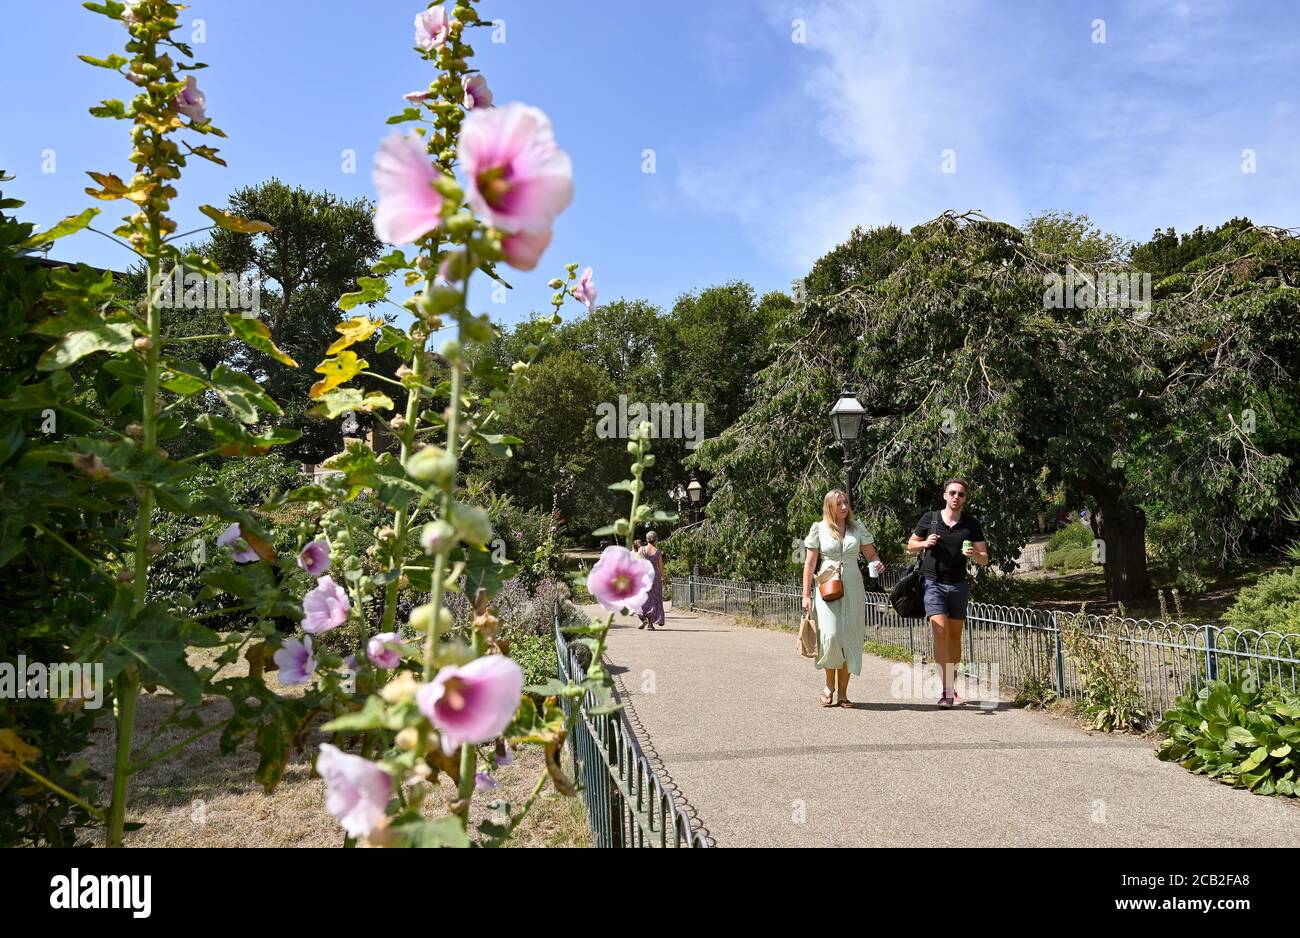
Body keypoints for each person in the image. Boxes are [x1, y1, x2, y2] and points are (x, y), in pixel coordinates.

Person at [906, 478, 989, 708]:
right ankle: (945, 690)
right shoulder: (930, 519)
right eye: (952, 492)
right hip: (933, 583)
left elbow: (984, 559)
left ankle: (951, 685)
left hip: (959, 585)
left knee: (954, 638)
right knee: (939, 630)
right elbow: (910, 545)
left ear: (964, 498)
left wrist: (973, 554)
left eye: (961, 494)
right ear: (945, 495)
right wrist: (925, 543)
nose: (956, 497)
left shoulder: (970, 524)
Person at [801, 489, 886, 708]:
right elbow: (809, 564)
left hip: (853, 586)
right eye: (839, 504)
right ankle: (829, 685)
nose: (844, 507)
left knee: (849, 636)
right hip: (827, 586)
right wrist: (805, 595)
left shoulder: (857, 528)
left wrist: (876, 562)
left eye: (846, 503)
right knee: (831, 635)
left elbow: (871, 555)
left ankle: (843, 694)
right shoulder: (818, 528)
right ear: (830, 506)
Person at [637, 531, 665, 630]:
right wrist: (664, 577)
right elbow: (661, 567)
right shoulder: (657, 551)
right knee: (654, 599)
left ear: (647, 539)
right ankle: (650, 624)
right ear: (656, 539)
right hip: (655, 577)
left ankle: (642, 617)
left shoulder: (642, 549)